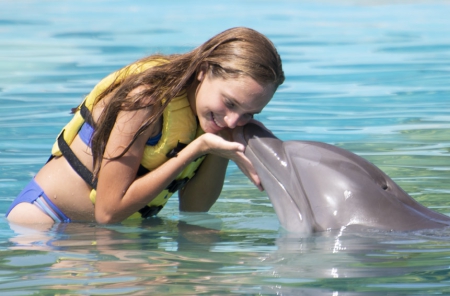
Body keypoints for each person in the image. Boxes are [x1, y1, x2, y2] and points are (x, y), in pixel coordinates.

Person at [6, 27, 284, 225]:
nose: (234, 119)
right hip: (45, 224)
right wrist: (194, 150)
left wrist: (225, 145)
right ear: (203, 70)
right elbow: (107, 212)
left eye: (250, 113)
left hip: (110, 239)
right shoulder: (146, 99)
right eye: (230, 103)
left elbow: (195, 209)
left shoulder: (211, 117)